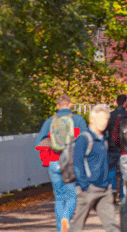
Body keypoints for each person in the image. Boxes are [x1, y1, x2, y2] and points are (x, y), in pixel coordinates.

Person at [35, 93, 89, 232]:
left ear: (57, 106)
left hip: (54, 162)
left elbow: (39, 143)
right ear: (70, 105)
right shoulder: (78, 120)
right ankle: (66, 217)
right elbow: (86, 142)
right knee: (71, 196)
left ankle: (61, 229)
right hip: (71, 162)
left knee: (59, 198)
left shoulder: (49, 122)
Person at [70, 104, 120, 232]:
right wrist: (84, 185)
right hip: (89, 188)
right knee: (77, 225)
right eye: (100, 118)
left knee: (112, 225)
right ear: (92, 119)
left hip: (104, 188)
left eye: (106, 119)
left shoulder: (104, 139)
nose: (104, 122)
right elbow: (77, 162)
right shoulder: (84, 138)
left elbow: (110, 157)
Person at [105, 94, 127, 203]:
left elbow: (106, 131)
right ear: (125, 102)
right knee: (124, 171)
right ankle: (122, 195)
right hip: (124, 146)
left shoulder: (111, 115)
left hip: (112, 145)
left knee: (111, 170)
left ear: (116, 102)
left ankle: (113, 191)